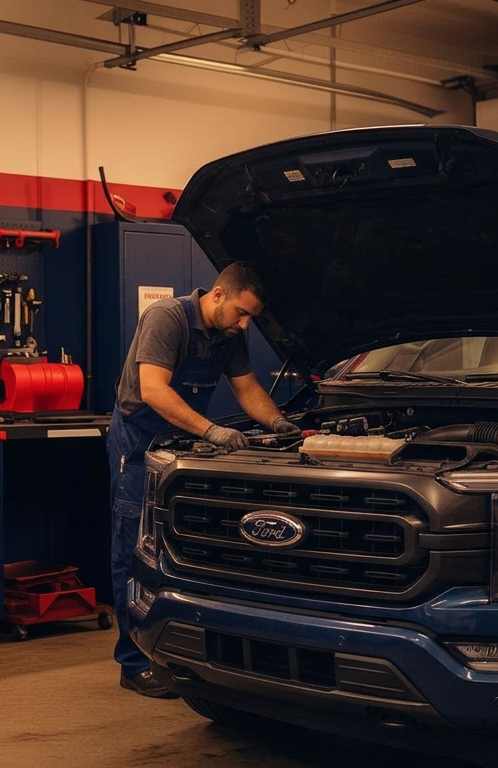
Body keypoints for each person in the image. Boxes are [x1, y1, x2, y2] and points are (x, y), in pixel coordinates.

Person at [107, 261, 300, 698]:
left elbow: (247, 389)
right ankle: (132, 662)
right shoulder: (167, 317)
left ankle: (176, 650)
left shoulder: (229, 333)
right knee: (132, 549)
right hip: (138, 445)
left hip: (181, 441)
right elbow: (153, 389)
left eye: (251, 317)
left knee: (181, 551)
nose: (245, 323)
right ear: (217, 295)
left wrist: (277, 423)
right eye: (241, 313)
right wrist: (211, 431)